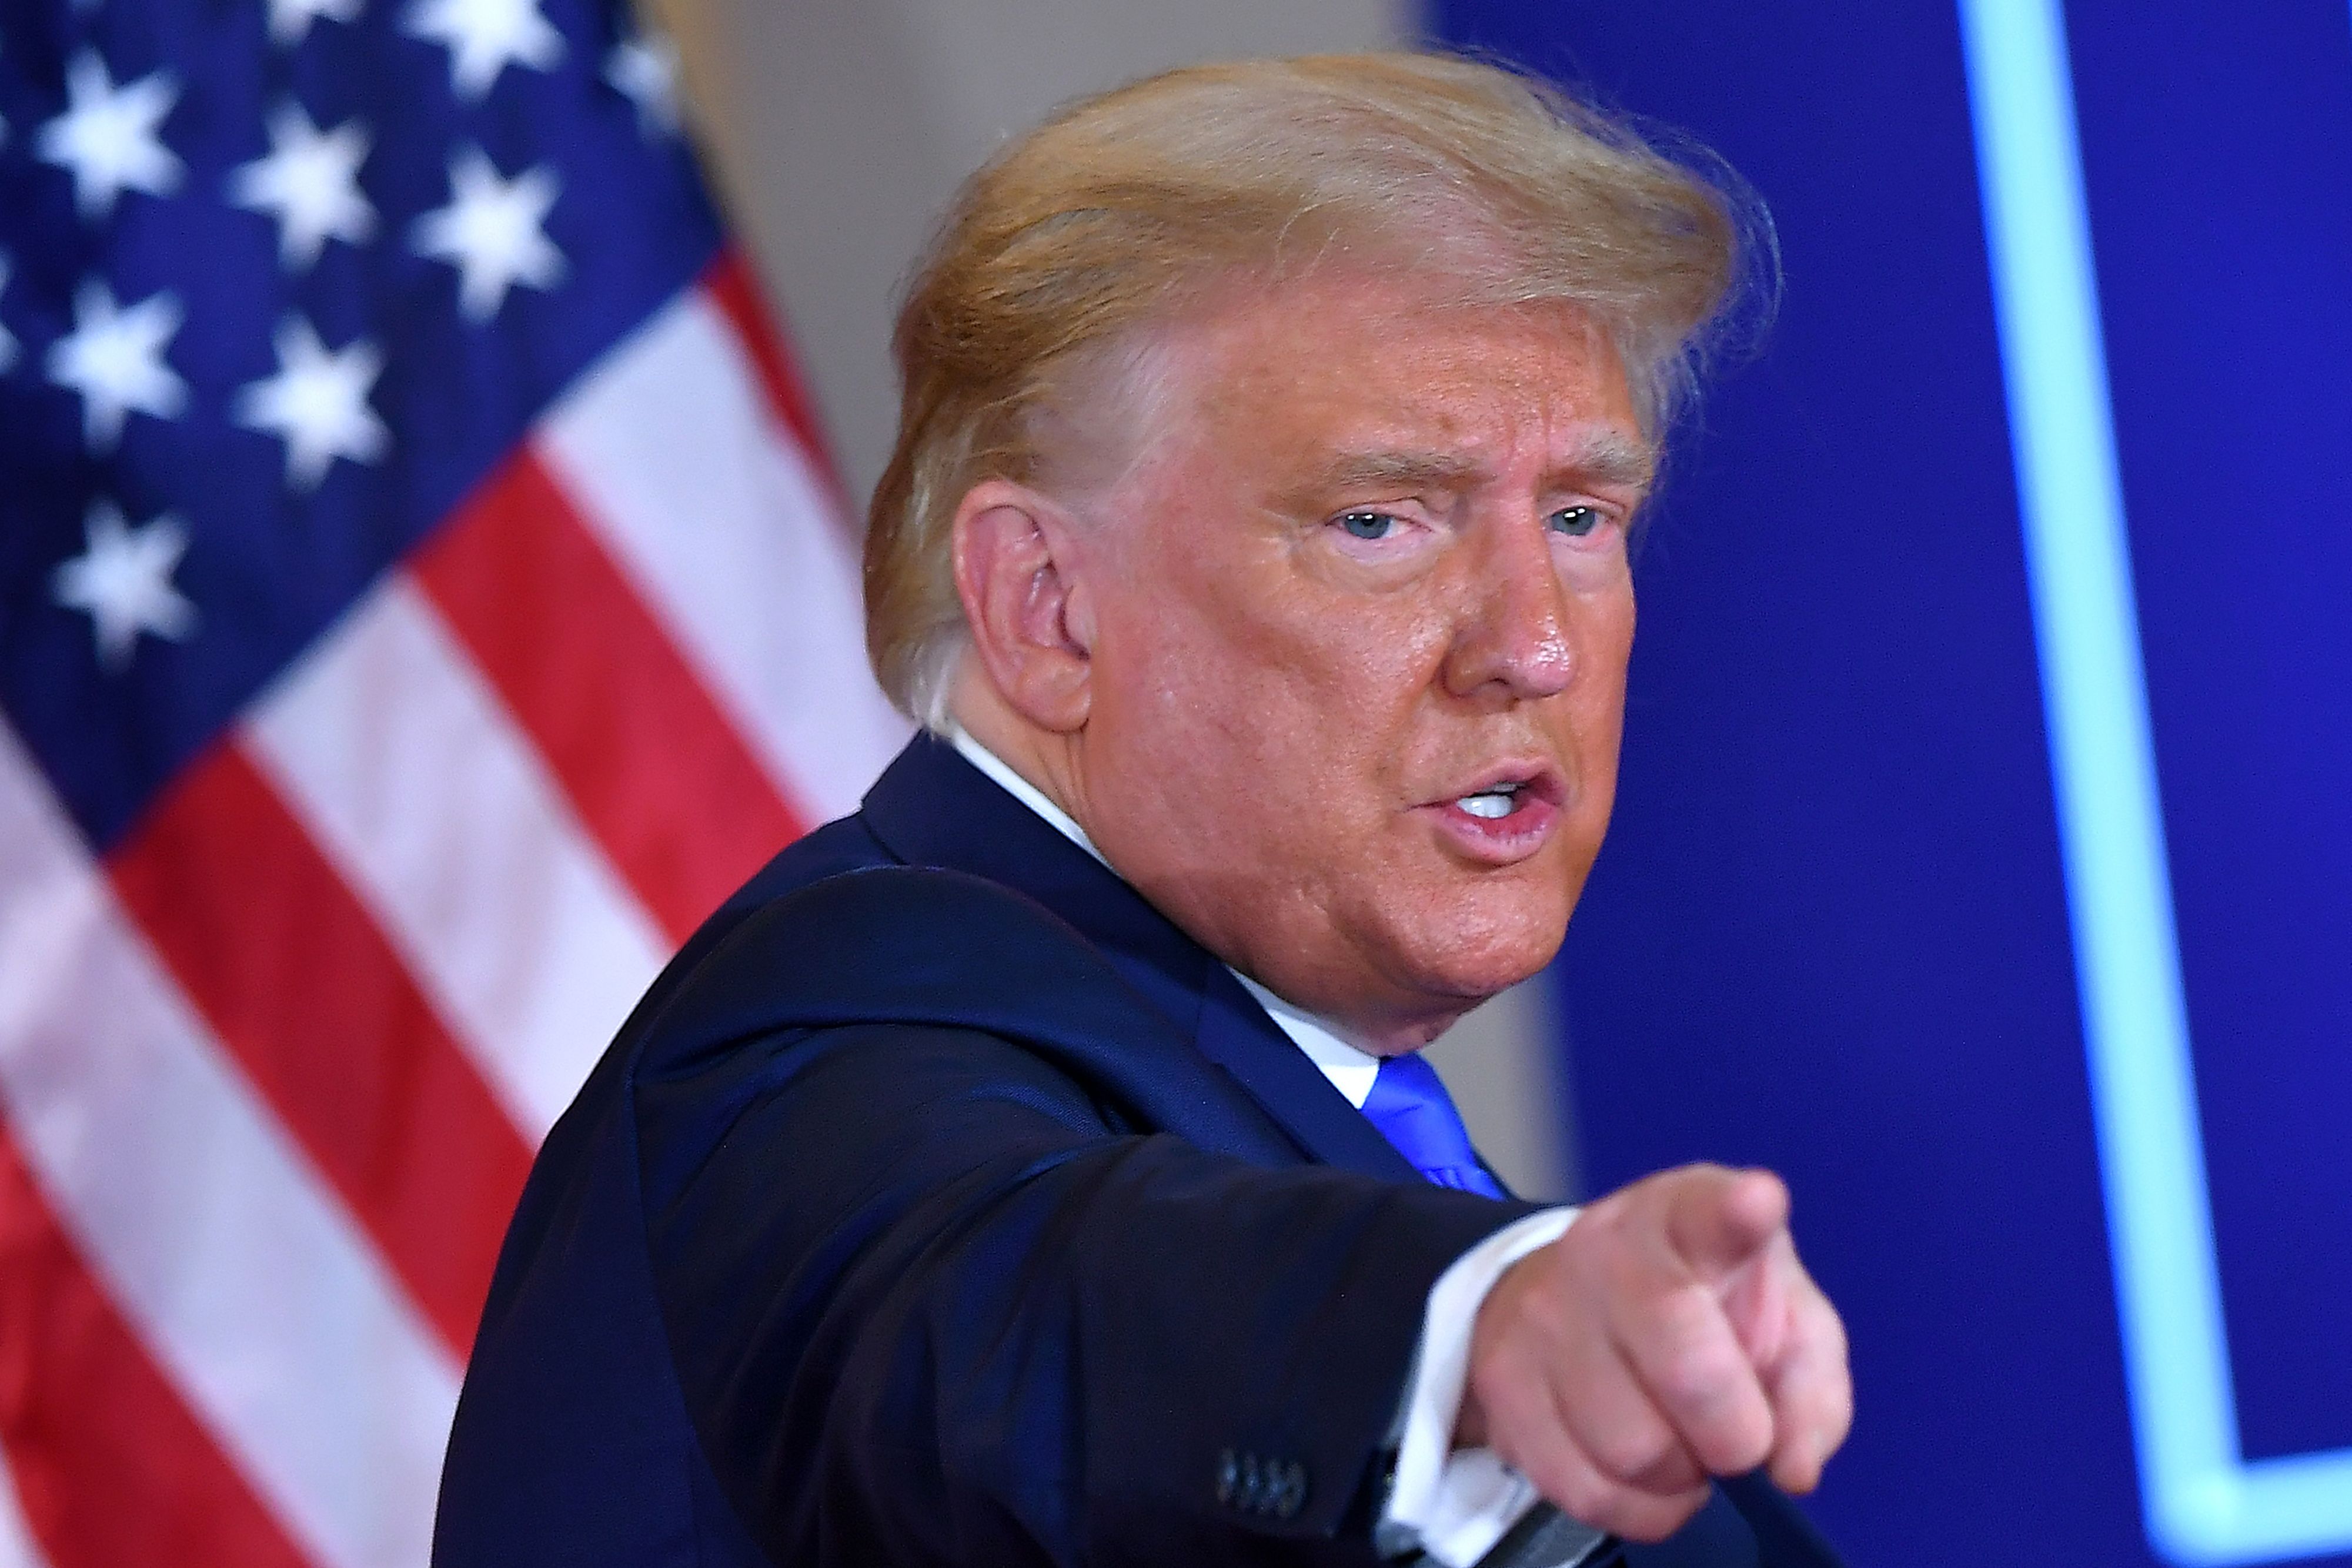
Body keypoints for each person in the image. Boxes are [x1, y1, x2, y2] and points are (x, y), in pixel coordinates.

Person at [432, 52, 1853, 1568]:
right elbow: (1030, 1302)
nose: (1535, 644)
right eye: (1378, 520)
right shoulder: (835, 1031)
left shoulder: (1329, 1116)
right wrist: (1463, 1334)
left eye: (1580, 516)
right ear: (1049, 610)